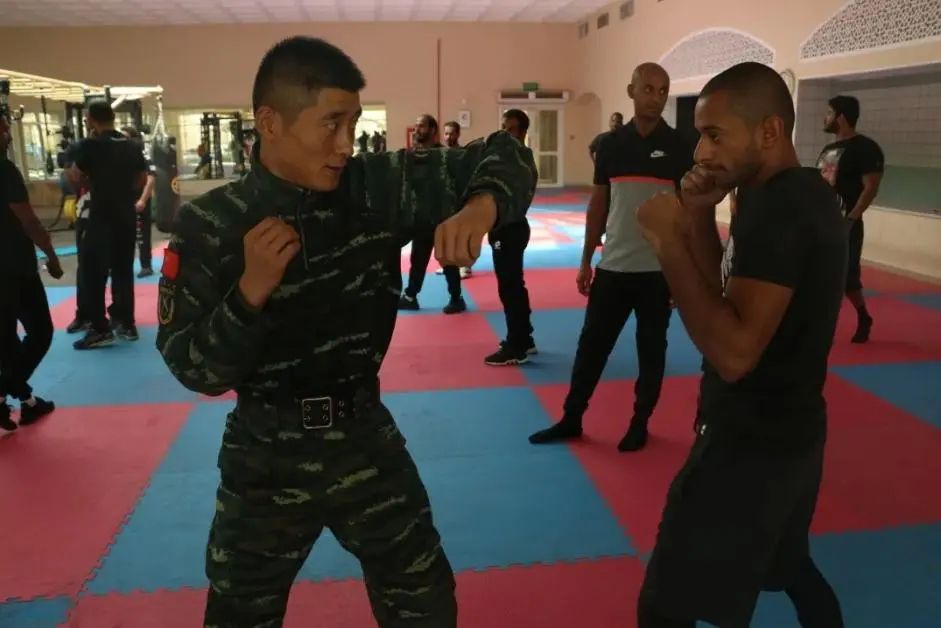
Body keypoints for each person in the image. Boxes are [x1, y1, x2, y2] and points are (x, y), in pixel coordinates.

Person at [155, 36, 535, 628]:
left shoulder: (374, 186)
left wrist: (481, 207)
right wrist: (249, 293)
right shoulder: (211, 224)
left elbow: (507, 154)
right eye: (331, 124)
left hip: (363, 435)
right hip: (265, 453)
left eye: (353, 124)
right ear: (270, 122)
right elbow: (192, 368)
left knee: (425, 602)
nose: (345, 144)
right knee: (238, 614)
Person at [634, 62, 845, 628]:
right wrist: (701, 217)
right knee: (789, 569)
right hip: (793, 431)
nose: (701, 151)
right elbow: (725, 299)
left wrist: (668, 244)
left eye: (715, 135)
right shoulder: (789, 196)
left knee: (664, 607)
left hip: (749, 447)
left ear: (769, 131)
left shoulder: (781, 209)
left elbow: (733, 354)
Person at [529, 63, 690, 449]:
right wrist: (586, 259)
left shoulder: (680, 146)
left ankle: (640, 422)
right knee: (591, 348)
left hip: (657, 272)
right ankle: (571, 417)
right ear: (631, 90)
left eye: (663, 90)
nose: (655, 97)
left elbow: (689, 214)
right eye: (647, 89)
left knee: (651, 351)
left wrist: (683, 273)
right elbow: (599, 204)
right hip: (613, 267)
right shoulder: (611, 145)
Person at [68, 100, 149, 349]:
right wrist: (122, 192)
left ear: (92, 119)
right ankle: (126, 323)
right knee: (123, 270)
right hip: (125, 215)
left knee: (93, 273)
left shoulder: (90, 145)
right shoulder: (131, 145)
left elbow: (75, 177)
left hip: (101, 216)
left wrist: (97, 183)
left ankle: (99, 328)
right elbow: (141, 179)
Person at [0, 115, 62, 431]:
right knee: (40, 332)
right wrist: (51, 255)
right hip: (13, 268)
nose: (9, 134)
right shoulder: (5, 170)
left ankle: (25, 401)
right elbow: (29, 221)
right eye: (2, 128)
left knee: (6, 342)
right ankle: (5, 391)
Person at [818, 95, 883, 343]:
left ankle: (863, 315)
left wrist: (851, 219)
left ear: (841, 117)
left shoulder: (865, 148)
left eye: (829, 113)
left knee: (847, 278)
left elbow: (871, 188)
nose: (825, 118)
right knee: (816, 273)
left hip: (846, 223)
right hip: (821, 221)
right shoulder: (828, 150)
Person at [483, 109, 539, 366]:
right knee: (515, 284)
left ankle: (516, 345)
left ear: (523, 132)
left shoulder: (519, 163)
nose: (506, 133)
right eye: (503, 127)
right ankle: (524, 337)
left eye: (512, 129)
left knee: (510, 286)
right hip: (507, 228)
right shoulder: (512, 157)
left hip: (510, 229)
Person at [398, 114, 465, 314]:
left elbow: (457, 185)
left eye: (422, 126)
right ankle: (411, 296)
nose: (417, 130)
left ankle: (456, 298)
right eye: (416, 126)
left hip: (443, 217)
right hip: (421, 217)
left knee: (448, 260)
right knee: (417, 260)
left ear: (432, 130)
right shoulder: (411, 156)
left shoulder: (445, 156)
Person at [437, 120, 472, 279]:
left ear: (458, 134)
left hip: (460, 198)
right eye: (446, 133)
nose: (448, 137)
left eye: (451, 133)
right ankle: (449, 265)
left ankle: (465, 266)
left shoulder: (464, 154)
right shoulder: (441, 154)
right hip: (444, 200)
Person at [122, 126, 158, 278]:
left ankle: (146, 265)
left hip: (139, 199)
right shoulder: (120, 155)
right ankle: (121, 266)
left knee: (142, 234)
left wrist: (142, 200)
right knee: (122, 234)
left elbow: (151, 179)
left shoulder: (142, 154)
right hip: (124, 200)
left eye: (125, 137)